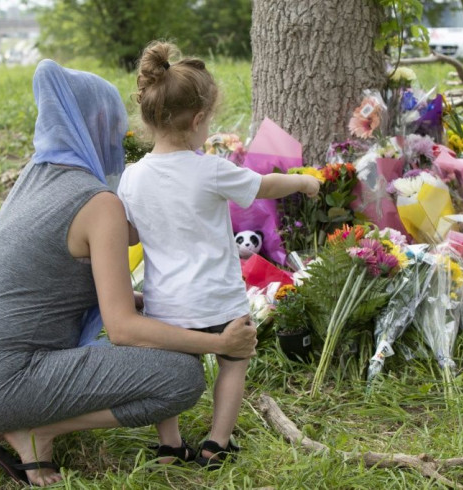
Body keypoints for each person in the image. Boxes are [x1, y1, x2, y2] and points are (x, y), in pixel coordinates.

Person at [0, 59, 257, 487]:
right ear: (98, 127)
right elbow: (122, 330)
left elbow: (54, 286)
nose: (120, 141)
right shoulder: (99, 203)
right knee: (181, 378)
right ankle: (39, 429)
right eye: (117, 131)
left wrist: (153, 302)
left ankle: (28, 426)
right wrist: (218, 341)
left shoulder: (37, 177)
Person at [117, 41, 321, 469]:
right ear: (197, 120)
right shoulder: (210, 168)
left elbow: (132, 234)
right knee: (234, 362)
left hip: (166, 302)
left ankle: (170, 445)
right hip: (219, 298)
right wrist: (302, 182)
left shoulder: (132, 177)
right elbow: (264, 186)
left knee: (167, 371)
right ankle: (216, 442)